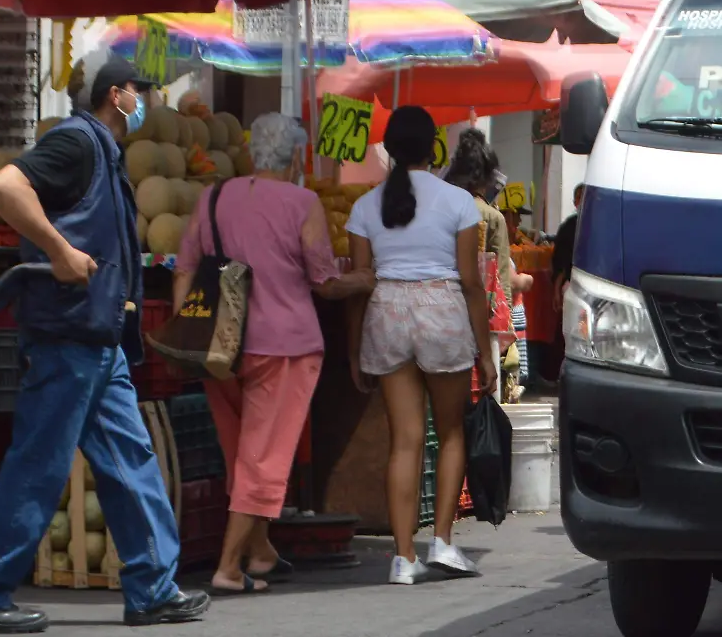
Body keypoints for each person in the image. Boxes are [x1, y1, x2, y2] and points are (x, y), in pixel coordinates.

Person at [0, 51, 211, 632]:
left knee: (131, 461)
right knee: (38, 465)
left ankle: (153, 588)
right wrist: (60, 251)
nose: (145, 101)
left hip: (98, 337)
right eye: (138, 91)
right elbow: (3, 185)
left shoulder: (105, 152)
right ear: (115, 94)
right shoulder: (77, 143)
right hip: (69, 335)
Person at [173, 113, 374, 595]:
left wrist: (190, 329)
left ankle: (260, 552)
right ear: (295, 160)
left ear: (249, 153)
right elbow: (324, 282)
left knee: (241, 451)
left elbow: (184, 269)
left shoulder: (214, 196)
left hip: (221, 349)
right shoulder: (303, 203)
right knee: (264, 460)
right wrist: (363, 280)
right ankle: (228, 566)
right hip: (284, 346)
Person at [346, 107, 497, 584]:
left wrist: (355, 351)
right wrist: (486, 348)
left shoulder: (364, 206)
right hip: (442, 311)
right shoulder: (458, 202)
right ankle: (444, 543)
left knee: (405, 441)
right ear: (434, 147)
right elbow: (472, 283)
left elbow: (359, 285)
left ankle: (402, 557)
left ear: (389, 149)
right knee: (449, 433)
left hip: (387, 312)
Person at [444, 130, 532, 400]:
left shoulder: (439, 207)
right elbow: (501, 285)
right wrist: (505, 342)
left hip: (438, 314)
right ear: (486, 177)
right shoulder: (492, 217)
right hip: (480, 320)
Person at [550, 182, 585, 311]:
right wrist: (556, 291)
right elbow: (560, 262)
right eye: (580, 197)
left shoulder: (601, 227)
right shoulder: (568, 227)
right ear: (575, 202)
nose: (583, 202)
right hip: (572, 285)